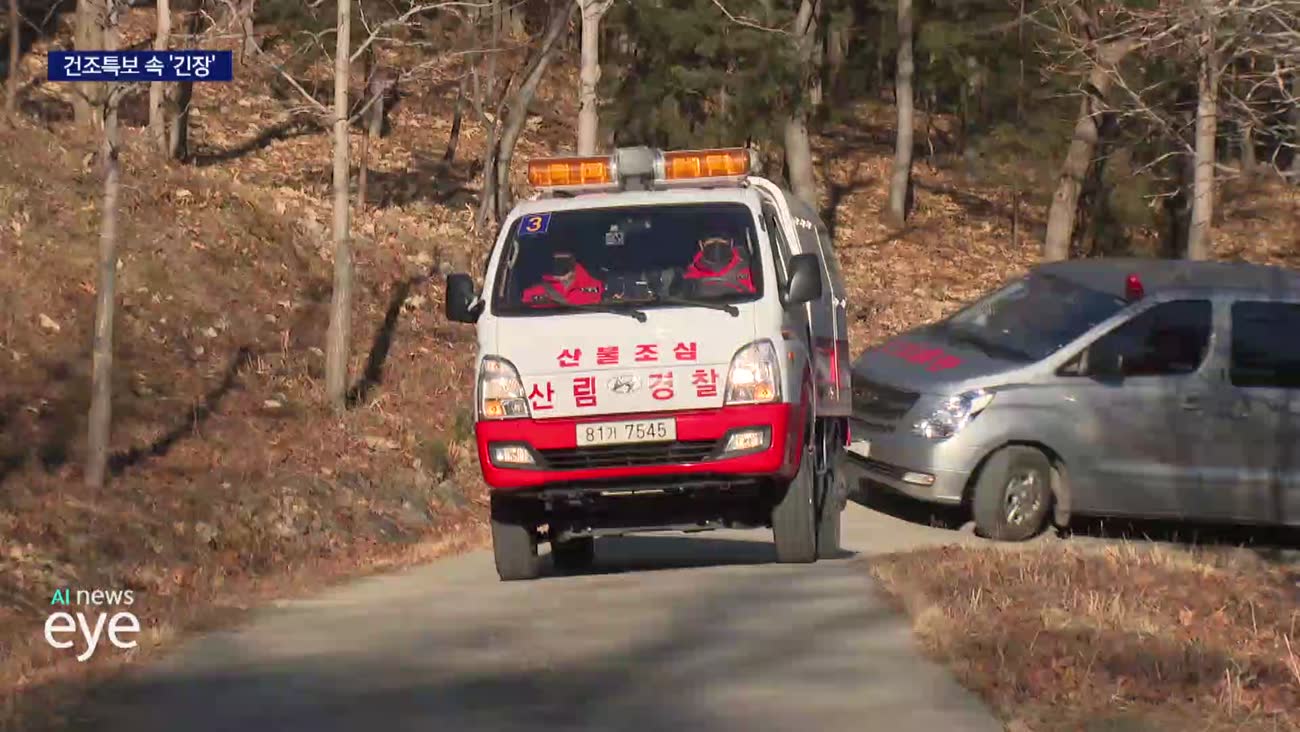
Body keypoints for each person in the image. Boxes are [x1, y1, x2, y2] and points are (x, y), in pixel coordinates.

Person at [521, 251, 605, 307]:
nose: (561, 259)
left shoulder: (598, 286)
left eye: (566, 258)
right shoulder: (533, 291)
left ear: (574, 259)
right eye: (557, 259)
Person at [682, 234, 755, 296]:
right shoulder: (690, 273)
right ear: (701, 244)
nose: (716, 244)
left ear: (731, 243)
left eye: (722, 240)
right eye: (711, 240)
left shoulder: (746, 268)